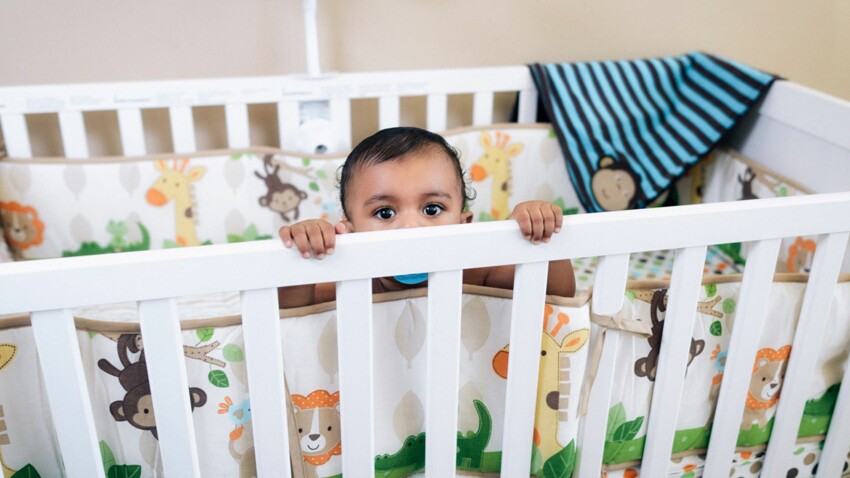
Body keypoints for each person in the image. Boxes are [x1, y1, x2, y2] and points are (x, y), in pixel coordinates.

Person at [277, 127, 575, 308]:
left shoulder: (479, 273)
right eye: (385, 212)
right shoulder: (350, 283)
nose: (410, 226)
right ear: (349, 232)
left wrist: (537, 235)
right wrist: (306, 249)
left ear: (463, 224)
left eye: (432, 209)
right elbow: (290, 313)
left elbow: (558, 293)